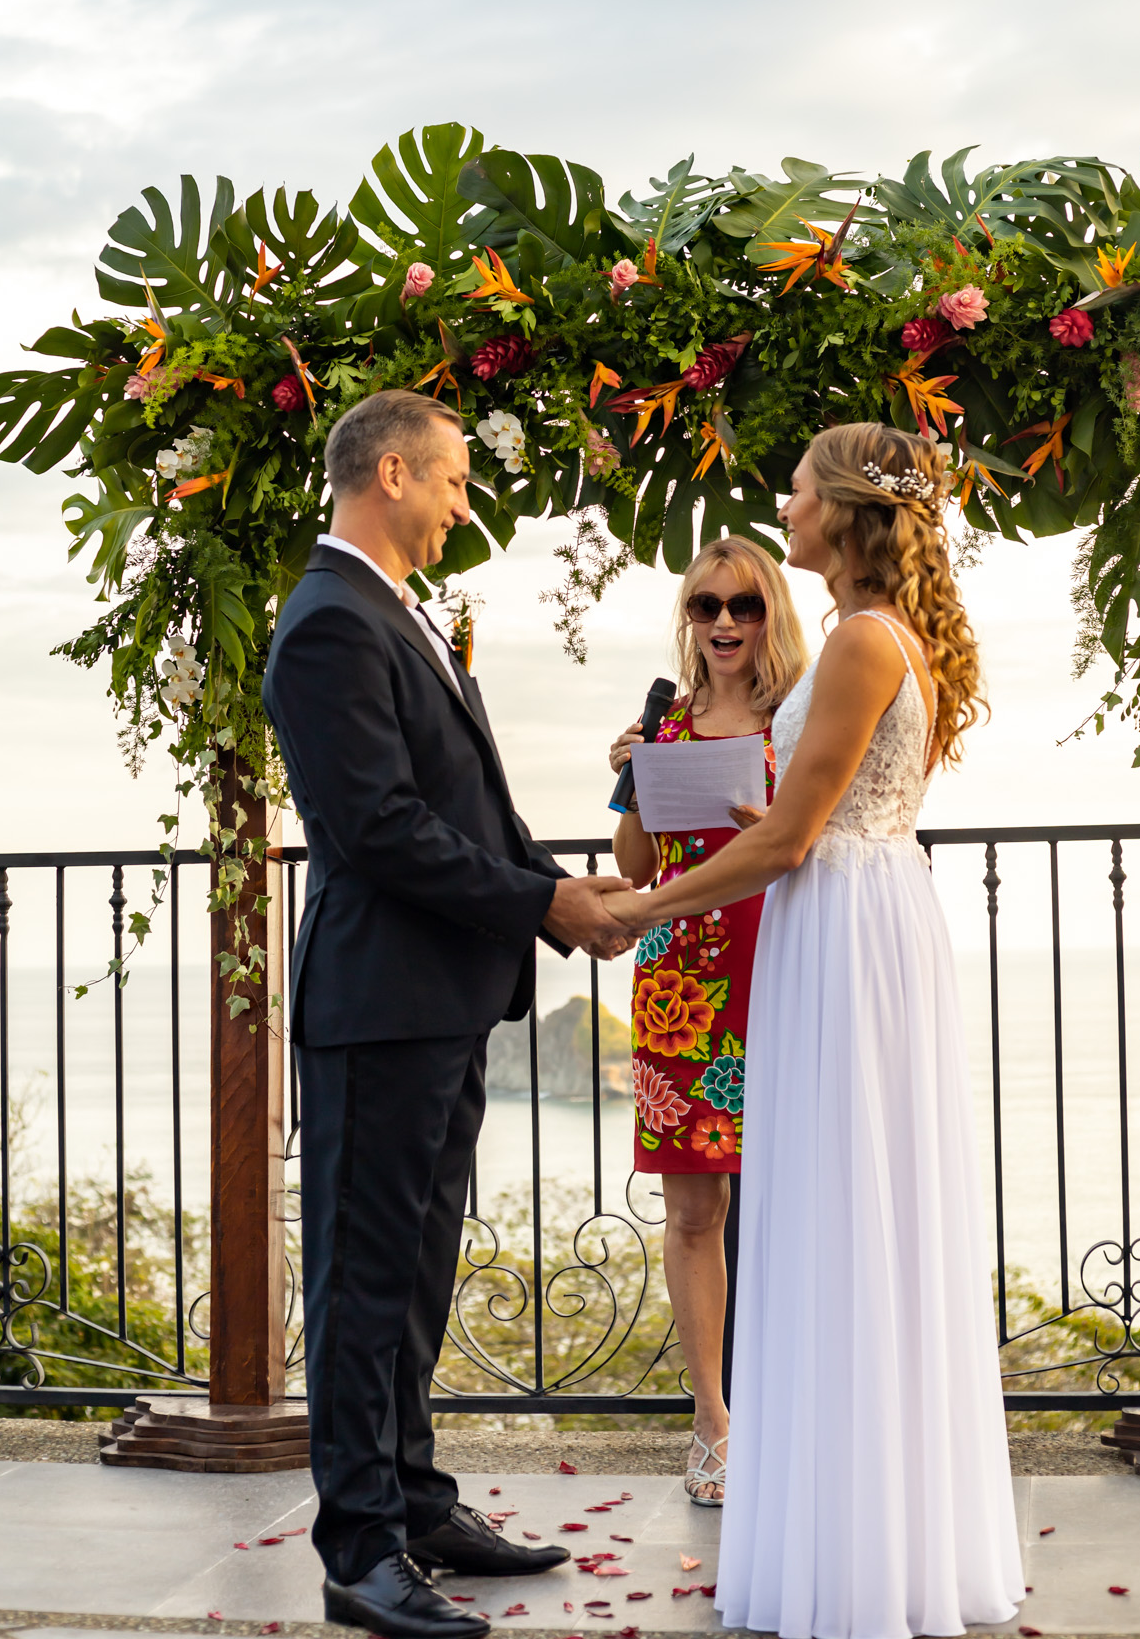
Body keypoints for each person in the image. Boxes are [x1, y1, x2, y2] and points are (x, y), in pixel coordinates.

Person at [601, 423, 1023, 1639]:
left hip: (836, 925)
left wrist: (636, 903)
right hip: (853, 912)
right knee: (857, 1214)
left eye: (794, 488)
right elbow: (813, 813)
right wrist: (752, 818)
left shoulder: (852, 638)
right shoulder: (887, 637)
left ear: (839, 512)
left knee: (840, 1210)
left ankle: (847, 1543)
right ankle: (876, 1524)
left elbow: (792, 841)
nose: (779, 504)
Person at [262, 390, 633, 1639]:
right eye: (454, 479)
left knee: (414, 1272)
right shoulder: (327, 621)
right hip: (377, 1004)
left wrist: (555, 892)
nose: (464, 503)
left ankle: (417, 1501)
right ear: (389, 471)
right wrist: (540, 902)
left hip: (438, 999)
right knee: (362, 1283)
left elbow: (467, 801)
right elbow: (374, 828)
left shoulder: (393, 611)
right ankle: (360, 1549)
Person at [607, 534, 806, 1506]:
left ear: (772, 612)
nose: (724, 621)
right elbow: (639, 868)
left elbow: (825, 836)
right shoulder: (666, 724)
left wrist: (758, 808)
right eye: (705, 606)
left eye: (744, 604)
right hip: (681, 979)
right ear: (687, 620)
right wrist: (638, 778)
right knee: (694, 1212)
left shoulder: (803, 716)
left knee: (804, 1199)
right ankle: (712, 1421)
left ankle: (804, 1412)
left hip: (786, 965)